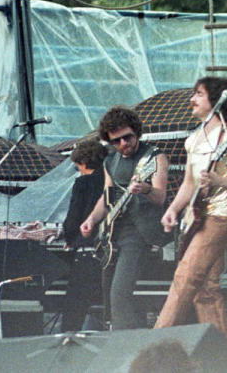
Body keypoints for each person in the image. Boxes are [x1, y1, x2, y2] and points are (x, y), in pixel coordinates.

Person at [155, 77, 227, 336]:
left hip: (222, 216)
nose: (193, 98)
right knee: (206, 288)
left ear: (217, 100)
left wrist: (219, 180)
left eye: (199, 94)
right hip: (197, 216)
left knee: (186, 276)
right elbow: (189, 182)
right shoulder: (194, 138)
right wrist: (173, 209)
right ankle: (221, 355)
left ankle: (155, 341)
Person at [80, 106, 170, 330]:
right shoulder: (111, 160)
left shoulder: (155, 157)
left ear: (137, 132)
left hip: (140, 232)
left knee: (119, 293)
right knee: (108, 292)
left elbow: (160, 197)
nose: (123, 144)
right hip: (114, 233)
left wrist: (146, 189)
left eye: (127, 138)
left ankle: (123, 343)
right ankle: (123, 334)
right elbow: (107, 195)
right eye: (116, 141)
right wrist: (92, 219)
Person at [61, 139, 108, 331]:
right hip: (108, 250)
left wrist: (69, 238)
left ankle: (68, 339)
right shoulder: (109, 179)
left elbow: (74, 217)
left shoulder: (82, 182)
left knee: (74, 305)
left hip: (86, 250)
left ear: (81, 162)